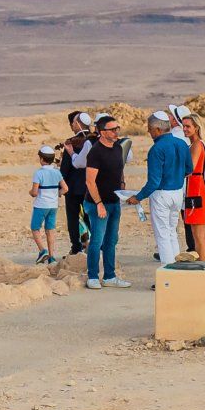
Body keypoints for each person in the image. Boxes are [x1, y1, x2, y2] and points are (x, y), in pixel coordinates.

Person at [129, 110, 189, 266]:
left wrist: (138, 197)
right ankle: (176, 268)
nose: (148, 132)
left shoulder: (156, 149)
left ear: (157, 129)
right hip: (177, 193)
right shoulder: (182, 143)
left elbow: (154, 182)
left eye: (150, 129)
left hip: (162, 195)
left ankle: (168, 273)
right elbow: (189, 169)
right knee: (172, 232)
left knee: (162, 235)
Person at [80, 115, 130, 290]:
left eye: (117, 128)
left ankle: (110, 276)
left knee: (111, 240)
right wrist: (99, 204)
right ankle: (93, 276)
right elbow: (90, 181)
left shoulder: (117, 147)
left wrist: (122, 185)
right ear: (102, 132)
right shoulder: (95, 152)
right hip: (98, 204)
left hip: (114, 202)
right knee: (97, 240)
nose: (117, 132)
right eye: (112, 129)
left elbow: (119, 169)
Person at [180, 112, 205, 263]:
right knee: (202, 235)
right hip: (195, 189)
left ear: (196, 127)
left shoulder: (197, 145)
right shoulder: (195, 144)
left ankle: (202, 267)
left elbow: (190, 168)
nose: (185, 129)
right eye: (183, 126)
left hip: (198, 190)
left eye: (188, 126)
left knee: (199, 235)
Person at [60, 111, 93, 256]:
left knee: (73, 218)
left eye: (73, 123)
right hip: (89, 187)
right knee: (89, 216)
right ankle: (95, 244)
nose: (72, 126)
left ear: (78, 124)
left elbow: (65, 168)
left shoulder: (71, 142)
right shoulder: (94, 140)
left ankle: (76, 247)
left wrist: (60, 186)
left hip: (72, 188)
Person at [29, 144, 65, 263]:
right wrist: (57, 194)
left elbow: (34, 192)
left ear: (41, 159)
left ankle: (42, 251)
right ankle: (51, 257)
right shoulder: (57, 172)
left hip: (41, 205)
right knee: (50, 230)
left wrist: (30, 192)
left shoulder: (38, 173)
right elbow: (65, 188)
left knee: (35, 228)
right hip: (53, 206)